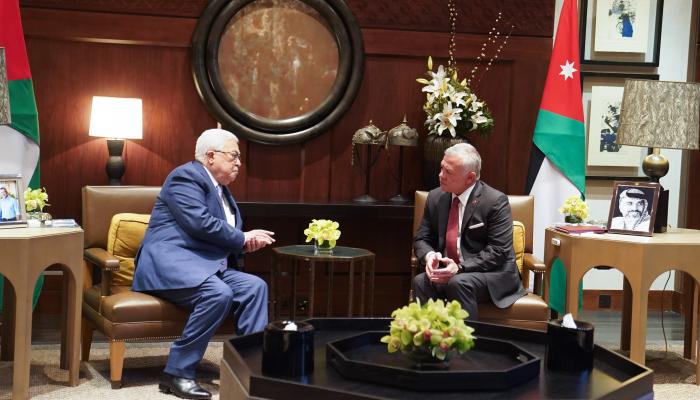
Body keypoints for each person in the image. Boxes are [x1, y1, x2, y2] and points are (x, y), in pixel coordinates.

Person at [133, 128, 275, 400]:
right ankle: (177, 373)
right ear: (211, 156)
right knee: (217, 293)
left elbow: (221, 234)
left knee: (255, 287)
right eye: (233, 156)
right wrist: (242, 238)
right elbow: (200, 223)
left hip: (206, 266)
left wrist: (243, 243)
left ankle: (251, 370)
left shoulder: (222, 190)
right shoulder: (185, 177)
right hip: (171, 263)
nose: (239, 163)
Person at [412, 143, 526, 320]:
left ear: (470, 178)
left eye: (448, 172)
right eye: (441, 168)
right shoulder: (435, 197)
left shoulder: (495, 201)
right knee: (421, 281)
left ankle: (467, 338)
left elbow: (498, 251)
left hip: (492, 273)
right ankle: (429, 337)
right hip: (451, 270)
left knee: (459, 283)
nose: (440, 175)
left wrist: (459, 268)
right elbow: (421, 239)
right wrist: (430, 256)